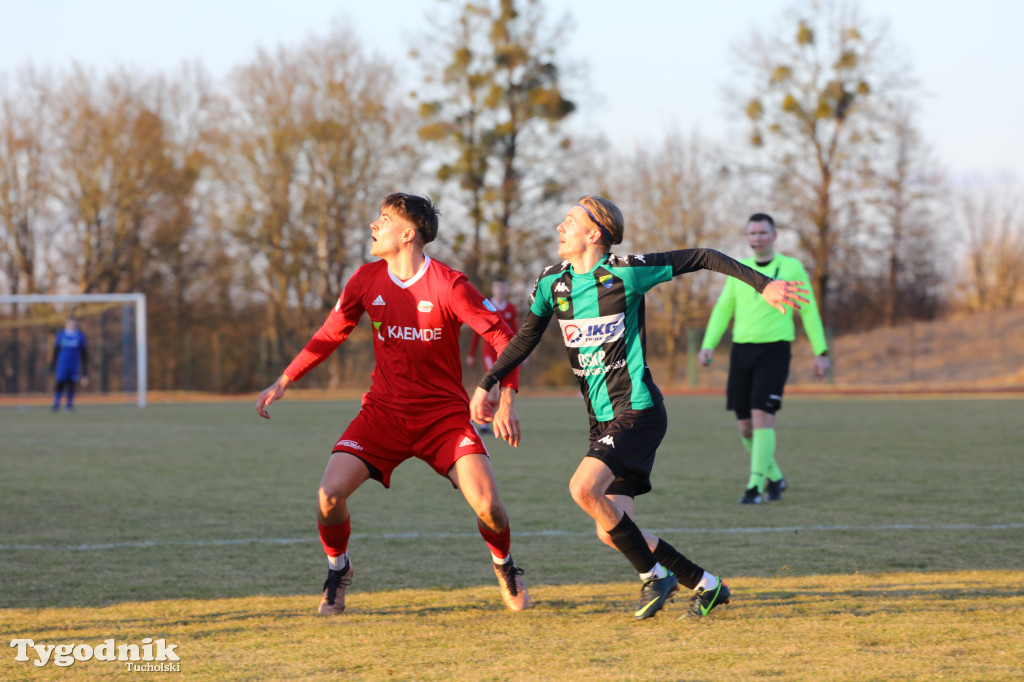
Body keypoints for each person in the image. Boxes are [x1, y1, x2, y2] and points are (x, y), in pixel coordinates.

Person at [470, 196, 808, 621]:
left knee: (582, 488)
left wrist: (763, 284)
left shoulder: (626, 273)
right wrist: (488, 384)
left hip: (638, 411)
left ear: (593, 234)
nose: (560, 227)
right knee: (611, 530)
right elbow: (524, 339)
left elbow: (703, 256)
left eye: (569, 221)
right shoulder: (551, 282)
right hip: (601, 421)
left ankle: (655, 576)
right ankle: (707, 586)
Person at [257, 192, 529, 615]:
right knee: (328, 495)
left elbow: (505, 338)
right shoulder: (366, 279)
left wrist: (505, 395)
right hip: (383, 415)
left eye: (383, 219)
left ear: (408, 233)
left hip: (442, 418)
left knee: (489, 506)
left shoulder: (450, 285)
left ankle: (505, 565)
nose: (373, 226)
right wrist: (286, 378)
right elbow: (331, 332)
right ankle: (338, 571)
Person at [698, 213, 830, 505]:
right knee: (745, 426)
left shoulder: (792, 268)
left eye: (762, 233)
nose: (757, 238)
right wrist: (708, 345)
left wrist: (821, 352)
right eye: (752, 233)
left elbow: (808, 311)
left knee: (761, 417)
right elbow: (723, 309)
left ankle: (755, 486)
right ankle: (776, 476)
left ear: (774, 236)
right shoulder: (739, 269)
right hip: (741, 351)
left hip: (775, 351)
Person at [466, 277, 519, 432]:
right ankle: (481, 419)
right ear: (493, 289)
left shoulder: (511, 309)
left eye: (503, 288)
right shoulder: (487, 306)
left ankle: (484, 419)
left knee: (497, 390)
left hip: (506, 352)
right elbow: (477, 333)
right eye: (498, 288)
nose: (501, 291)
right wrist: (471, 354)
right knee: (494, 384)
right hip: (489, 351)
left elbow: (516, 333)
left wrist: (524, 354)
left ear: (507, 290)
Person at [50, 317, 88, 411]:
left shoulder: (79, 335)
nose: (72, 325)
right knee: (60, 383)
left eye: (74, 323)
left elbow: (84, 353)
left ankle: (69, 405)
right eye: (70, 323)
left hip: (74, 365)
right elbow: (56, 350)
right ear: (66, 324)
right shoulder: (61, 335)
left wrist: (85, 371)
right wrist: (52, 364)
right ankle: (56, 404)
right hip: (62, 365)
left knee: (71, 384)